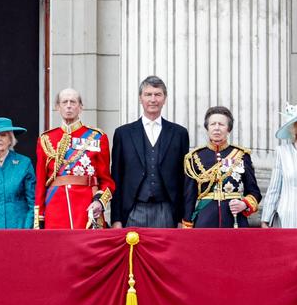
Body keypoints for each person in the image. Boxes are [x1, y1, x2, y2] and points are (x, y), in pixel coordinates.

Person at [111, 76, 190, 228]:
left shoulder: (179, 133)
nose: (153, 99)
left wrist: (182, 218)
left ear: (164, 98)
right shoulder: (123, 133)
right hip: (133, 210)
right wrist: (116, 219)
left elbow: (184, 179)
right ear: (141, 98)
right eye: (148, 94)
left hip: (167, 211)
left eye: (158, 94)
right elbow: (117, 177)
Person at [35, 88, 115, 230]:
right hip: (55, 210)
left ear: (81, 107)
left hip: (86, 208)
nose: (69, 105)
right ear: (57, 107)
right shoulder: (46, 139)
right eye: (64, 102)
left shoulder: (97, 137)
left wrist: (99, 202)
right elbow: (41, 183)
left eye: (73, 102)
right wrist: (39, 218)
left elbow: (107, 181)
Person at [183, 106, 261, 228]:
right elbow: (189, 197)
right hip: (205, 220)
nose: (217, 128)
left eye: (221, 124)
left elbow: (254, 192)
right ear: (207, 128)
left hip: (235, 220)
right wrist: (187, 224)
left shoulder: (241, 155)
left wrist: (244, 204)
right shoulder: (195, 157)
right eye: (213, 124)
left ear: (228, 129)